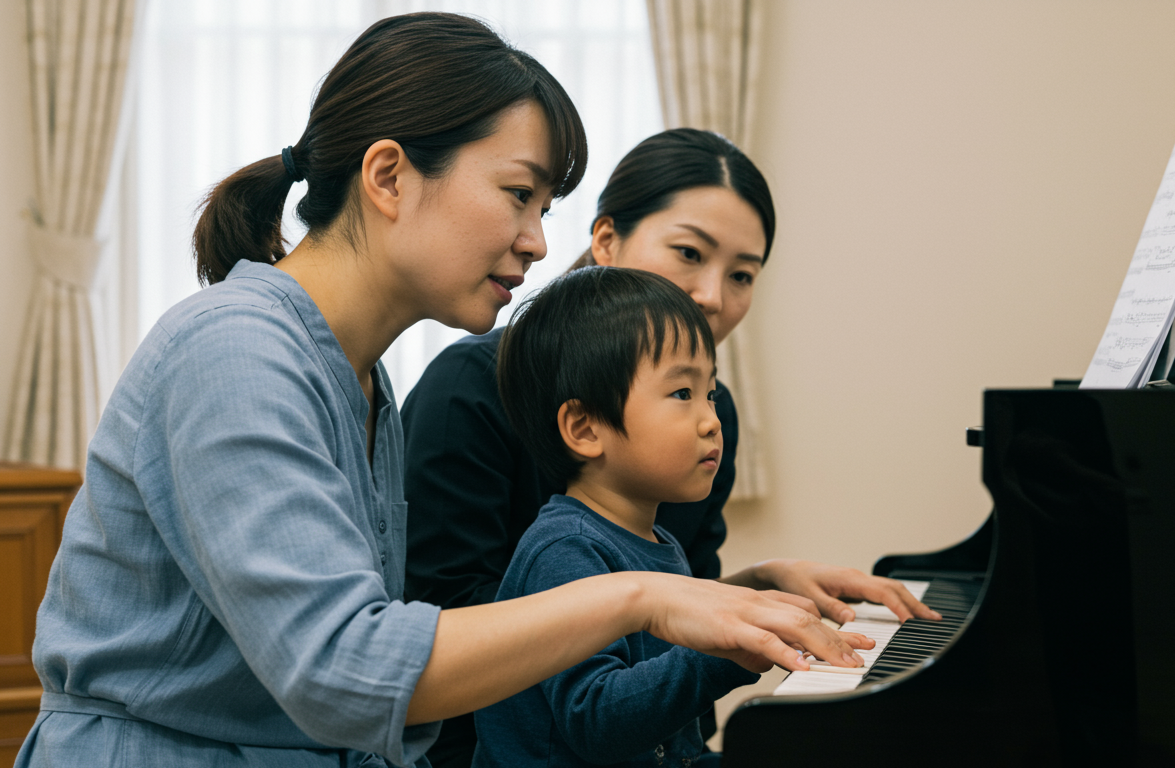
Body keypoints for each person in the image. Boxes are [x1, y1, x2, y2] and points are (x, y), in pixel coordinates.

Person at [16, 14, 869, 768]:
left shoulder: (363, 379)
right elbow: (345, 670)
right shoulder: (233, 350)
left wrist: (729, 601)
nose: (538, 242)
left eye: (545, 209)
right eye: (519, 195)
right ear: (389, 177)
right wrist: (642, 597)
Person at [402, 129, 942, 766]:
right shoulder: (471, 391)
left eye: (741, 275)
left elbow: (669, 618)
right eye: (689, 252)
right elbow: (461, 642)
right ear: (606, 240)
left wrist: (760, 589)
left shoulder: (713, 419)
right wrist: (731, 645)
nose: (712, 295)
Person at [476, 267, 764, 767]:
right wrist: (725, 652)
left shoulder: (657, 541)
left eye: (711, 394)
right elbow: (596, 720)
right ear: (585, 428)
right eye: (682, 394)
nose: (712, 421)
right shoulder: (565, 550)